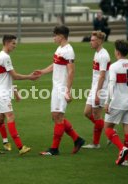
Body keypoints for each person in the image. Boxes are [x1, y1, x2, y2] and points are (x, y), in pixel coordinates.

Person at [36, 25, 85, 156]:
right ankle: (77, 139)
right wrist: (42, 72)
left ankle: (54, 149)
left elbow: (71, 71)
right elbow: (55, 64)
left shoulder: (69, 51)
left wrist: (67, 91)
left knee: (58, 116)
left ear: (61, 36)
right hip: (56, 87)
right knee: (56, 116)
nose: (54, 37)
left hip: (62, 87)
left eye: (55, 35)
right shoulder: (60, 49)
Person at [0, 34, 40, 155]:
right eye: (13, 43)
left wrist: (14, 92)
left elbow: (3, 78)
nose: (15, 46)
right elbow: (14, 76)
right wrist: (30, 77)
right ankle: (20, 147)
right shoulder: (5, 57)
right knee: (10, 116)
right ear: (6, 43)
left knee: (0, 118)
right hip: (2, 94)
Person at [104, 40, 128, 166]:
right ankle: (125, 160)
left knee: (108, 128)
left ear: (118, 52)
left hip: (117, 103)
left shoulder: (114, 66)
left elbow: (111, 84)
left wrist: (107, 101)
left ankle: (122, 149)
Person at [82, 31, 111, 149]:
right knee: (87, 113)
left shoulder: (103, 55)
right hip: (95, 87)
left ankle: (96, 143)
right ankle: (109, 131)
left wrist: (98, 93)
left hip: (101, 89)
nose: (90, 42)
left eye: (93, 40)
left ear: (99, 41)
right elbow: (96, 75)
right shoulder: (97, 53)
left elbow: (102, 76)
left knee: (97, 115)